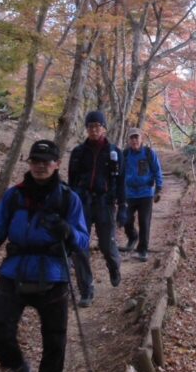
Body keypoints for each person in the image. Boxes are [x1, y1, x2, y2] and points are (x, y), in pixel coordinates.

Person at [0, 139, 88, 372]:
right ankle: (19, 368)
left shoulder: (67, 199)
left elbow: (83, 240)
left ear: (56, 164)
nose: (40, 165)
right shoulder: (14, 197)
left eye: (46, 161)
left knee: (54, 339)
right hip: (14, 271)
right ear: (29, 163)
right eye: (35, 160)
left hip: (53, 274)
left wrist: (68, 233)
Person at [68, 110, 125, 295]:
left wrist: (123, 206)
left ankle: (114, 266)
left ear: (104, 129)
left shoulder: (115, 152)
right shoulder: (78, 152)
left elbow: (122, 181)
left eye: (97, 126)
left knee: (107, 245)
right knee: (79, 246)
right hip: (82, 204)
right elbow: (71, 181)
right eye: (90, 126)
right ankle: (86, 289)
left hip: (105, 203)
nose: (93, 130)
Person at [117, 127, 164, 262]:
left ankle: (142, 250)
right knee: (125, 219)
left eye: (136, 137)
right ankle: (132, 237)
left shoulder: (149, 153)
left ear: (141, 138)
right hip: (129, 193)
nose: (134, 140)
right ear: (128, 140)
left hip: (146, 193)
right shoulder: (124, 155)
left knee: (144, 222)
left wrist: (159, 189)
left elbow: (157, 171)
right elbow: (119, 175)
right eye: (131, 138)